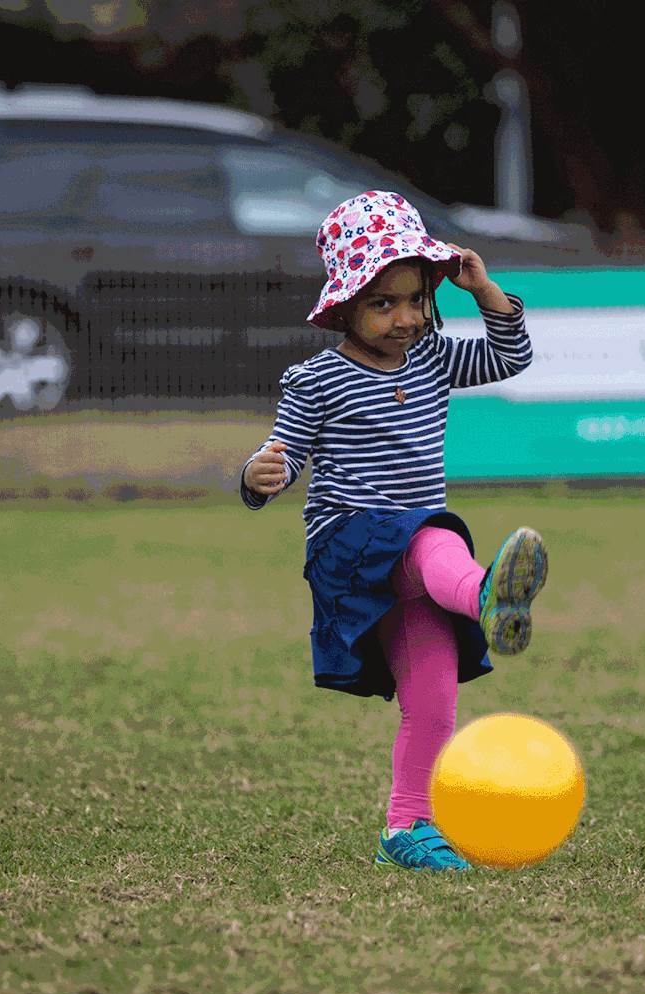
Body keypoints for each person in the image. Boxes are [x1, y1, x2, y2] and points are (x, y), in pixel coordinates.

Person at [239, 190, 548, 872]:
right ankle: (487, 596)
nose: (405, 317)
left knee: (433, 702)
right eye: (384, 303)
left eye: (416, 299)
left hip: (417, 566)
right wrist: (262, 476)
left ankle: (405, 830)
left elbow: (511, 359)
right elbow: (283, 455)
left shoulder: (433, 359)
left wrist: (485, 290)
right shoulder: (317, 379)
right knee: (435, 538)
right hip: (351, 546)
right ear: (345, 305)